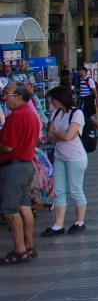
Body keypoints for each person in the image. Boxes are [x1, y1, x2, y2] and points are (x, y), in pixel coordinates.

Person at [0, 81, 39, 264]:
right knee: (24, 206)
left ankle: (20, 249)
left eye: (7, 94)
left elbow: (7, 146)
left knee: (10, 210)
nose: (4, 97)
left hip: (14, 167)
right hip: (26, 165)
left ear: (19, 96)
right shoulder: (31, 114)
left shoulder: (16, 116)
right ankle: (29, 246)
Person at [43, 85, 90, 237]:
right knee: (58, 190)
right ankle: (58, 224)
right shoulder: (55, 113)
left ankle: (80, 221)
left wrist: (58, 134)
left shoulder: (76, 114)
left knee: (76, 189)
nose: (52, 103)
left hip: (75, 157)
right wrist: (60, 134)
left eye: (53, 100)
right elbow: (50, 136)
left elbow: (67, 137)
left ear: (60, 99)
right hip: (60, 155)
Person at [76, 67, 98, 137]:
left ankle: (95, 130)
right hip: (83, 100)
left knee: (88, 117)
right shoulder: (81, 79)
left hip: (87, 101)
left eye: (79, 70)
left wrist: (97, 101)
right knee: (88, 117)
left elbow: (94, 91)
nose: (78, 72)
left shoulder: (89, 80)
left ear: (84, 71)